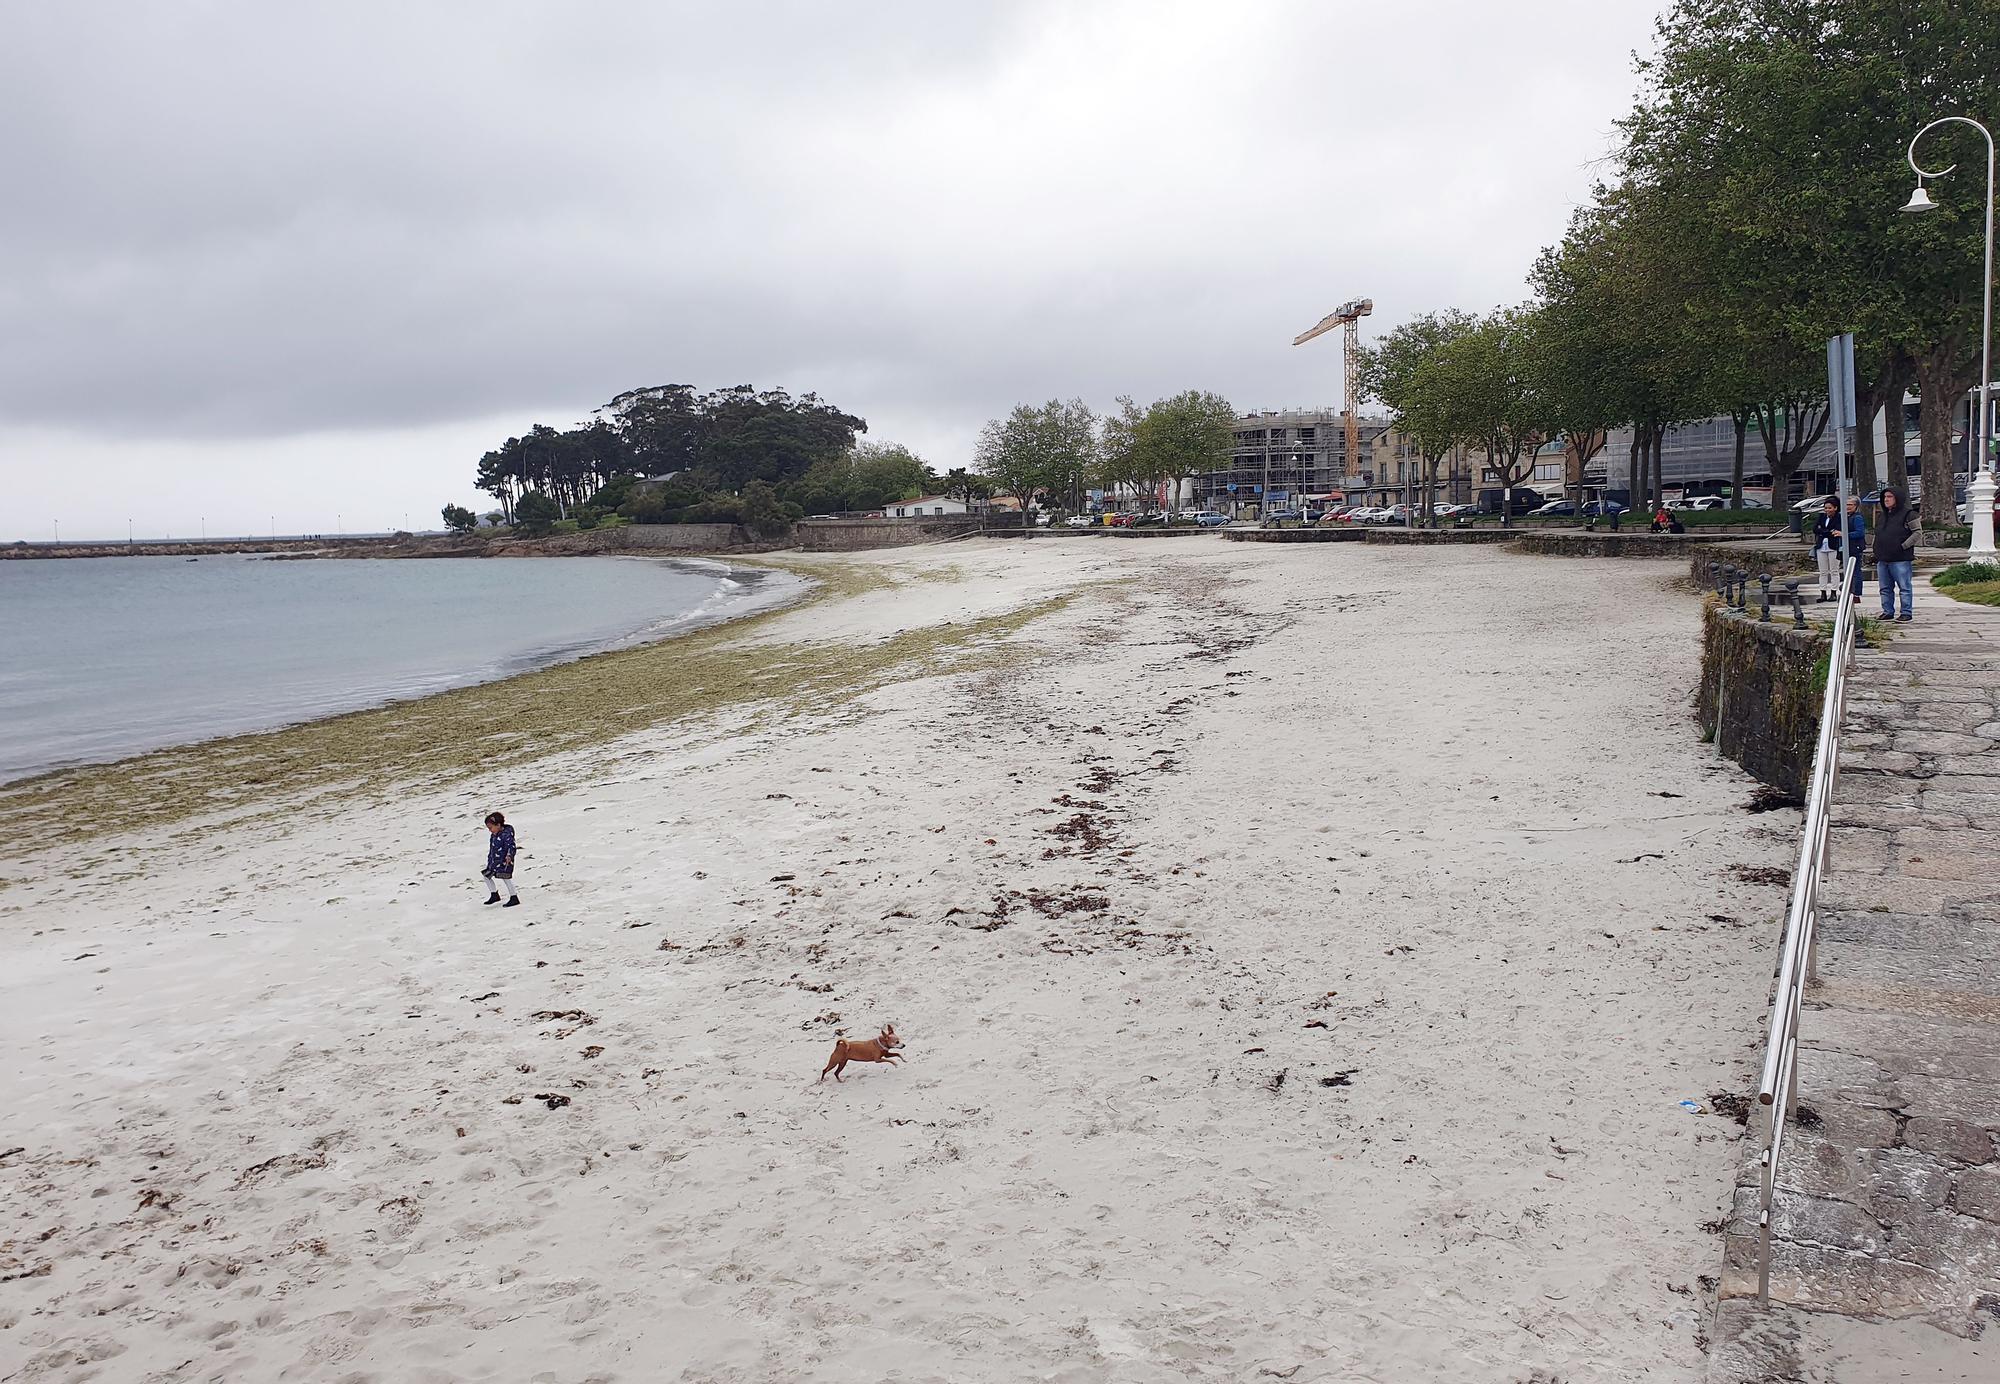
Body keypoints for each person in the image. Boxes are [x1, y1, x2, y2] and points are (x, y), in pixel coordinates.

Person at [1873, 487, 1919, 621]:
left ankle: (1906, 612)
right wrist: (1875, 549)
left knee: (1904, 587)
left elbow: (1917, 532)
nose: (1886, 499)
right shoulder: (1883, 516)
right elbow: (1878, 534)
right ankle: (1887, 611)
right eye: (1885, 497)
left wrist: (1903, 546)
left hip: (1900, 558)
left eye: (1889, 497)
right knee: (1885, 588)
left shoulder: (1909, 514)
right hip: (1883, 558)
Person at [480, 811, 521, 906]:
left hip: (504, 861)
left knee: (505, 878)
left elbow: (512, 846)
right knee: (486, 876)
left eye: (491, 828)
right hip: (494, 861)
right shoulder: (494, 835)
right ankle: (494, 894)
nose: (490, 830)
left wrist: (509, 856)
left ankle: (514, 897)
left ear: (498, 825)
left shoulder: (506, 835)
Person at [1810, 498, 1843, 601]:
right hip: (1821, 547)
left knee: (1834, 570)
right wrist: (1826, 531)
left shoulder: (1839, 517)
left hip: (1833, 546)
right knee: (1823, 571)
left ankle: (1833, 592)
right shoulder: (1822, 517)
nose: (1827, 510)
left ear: (1835, 508)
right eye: (1826, 508)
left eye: (1830, 508)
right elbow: (1815, 529)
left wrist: (1824, 531)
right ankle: (1823, 592)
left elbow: (1835, 531)